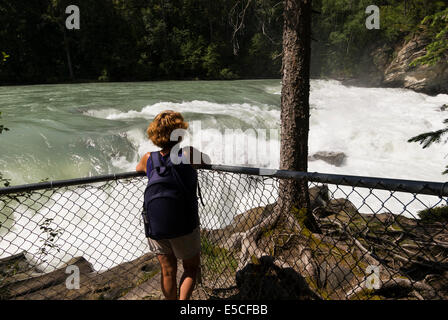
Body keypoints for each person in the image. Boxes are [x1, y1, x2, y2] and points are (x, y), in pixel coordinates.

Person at [136, 110, 209, 300]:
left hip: (156, 223)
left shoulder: (148, 158)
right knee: (191, 268)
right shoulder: (188, 153)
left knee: (167, 272)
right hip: (184, 223)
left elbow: (138, 169)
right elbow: (207, 162)